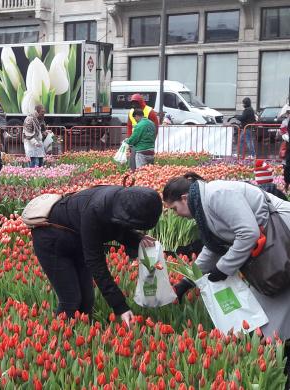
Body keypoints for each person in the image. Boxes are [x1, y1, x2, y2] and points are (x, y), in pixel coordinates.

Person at [163, 173, 290, 359]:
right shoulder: (203, 204)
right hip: (274, 248)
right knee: (271, 307)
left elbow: (248, 233)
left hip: (282, 239)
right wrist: (187, 282)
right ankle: (277, 356)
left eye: (174, 208)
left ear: (184, 198)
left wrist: (223, 268)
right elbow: (213, 247)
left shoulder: (217, 194)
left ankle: (276, 359)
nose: (176, 215)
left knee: (273, 306)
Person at [30, 186, 162, 324]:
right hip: (51, 242)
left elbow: (115, 228)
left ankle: (81, 338)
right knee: (71, 300)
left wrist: (138, 239)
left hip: (76, 240)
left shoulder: (120, 202)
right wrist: (120, 306)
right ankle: (58, 339)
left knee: (87, 300)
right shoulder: (96, 210)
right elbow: (95, 262)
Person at [126, 94, 159, 170]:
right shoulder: (131, 112)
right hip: (139, 143)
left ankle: (138, 178)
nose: (134, 105)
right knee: (135, 163)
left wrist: (129, 141)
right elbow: (129, 126)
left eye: (136, 103)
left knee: (139, 169)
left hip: (141, 144)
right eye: (132, 103)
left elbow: (156, 128)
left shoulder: (150, 111)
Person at [279, 107, 290, 191]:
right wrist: (284, 135)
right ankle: (287, 183)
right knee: (287, 166)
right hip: (288, 147)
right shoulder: (285, 121)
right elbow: (281, 131)